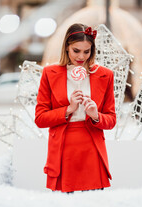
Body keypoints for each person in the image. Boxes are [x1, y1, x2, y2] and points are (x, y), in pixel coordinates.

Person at [35, 23, 116, 193]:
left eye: (87, 51)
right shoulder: (49, 73)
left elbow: (111, 120)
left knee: (93, 206)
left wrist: (96, 115)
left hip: (92, 147)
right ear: (66, 48)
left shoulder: (105, 75)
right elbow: (40, 119)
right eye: (76, 51)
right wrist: (68, 109)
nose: (81, 57)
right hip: (63, 149)